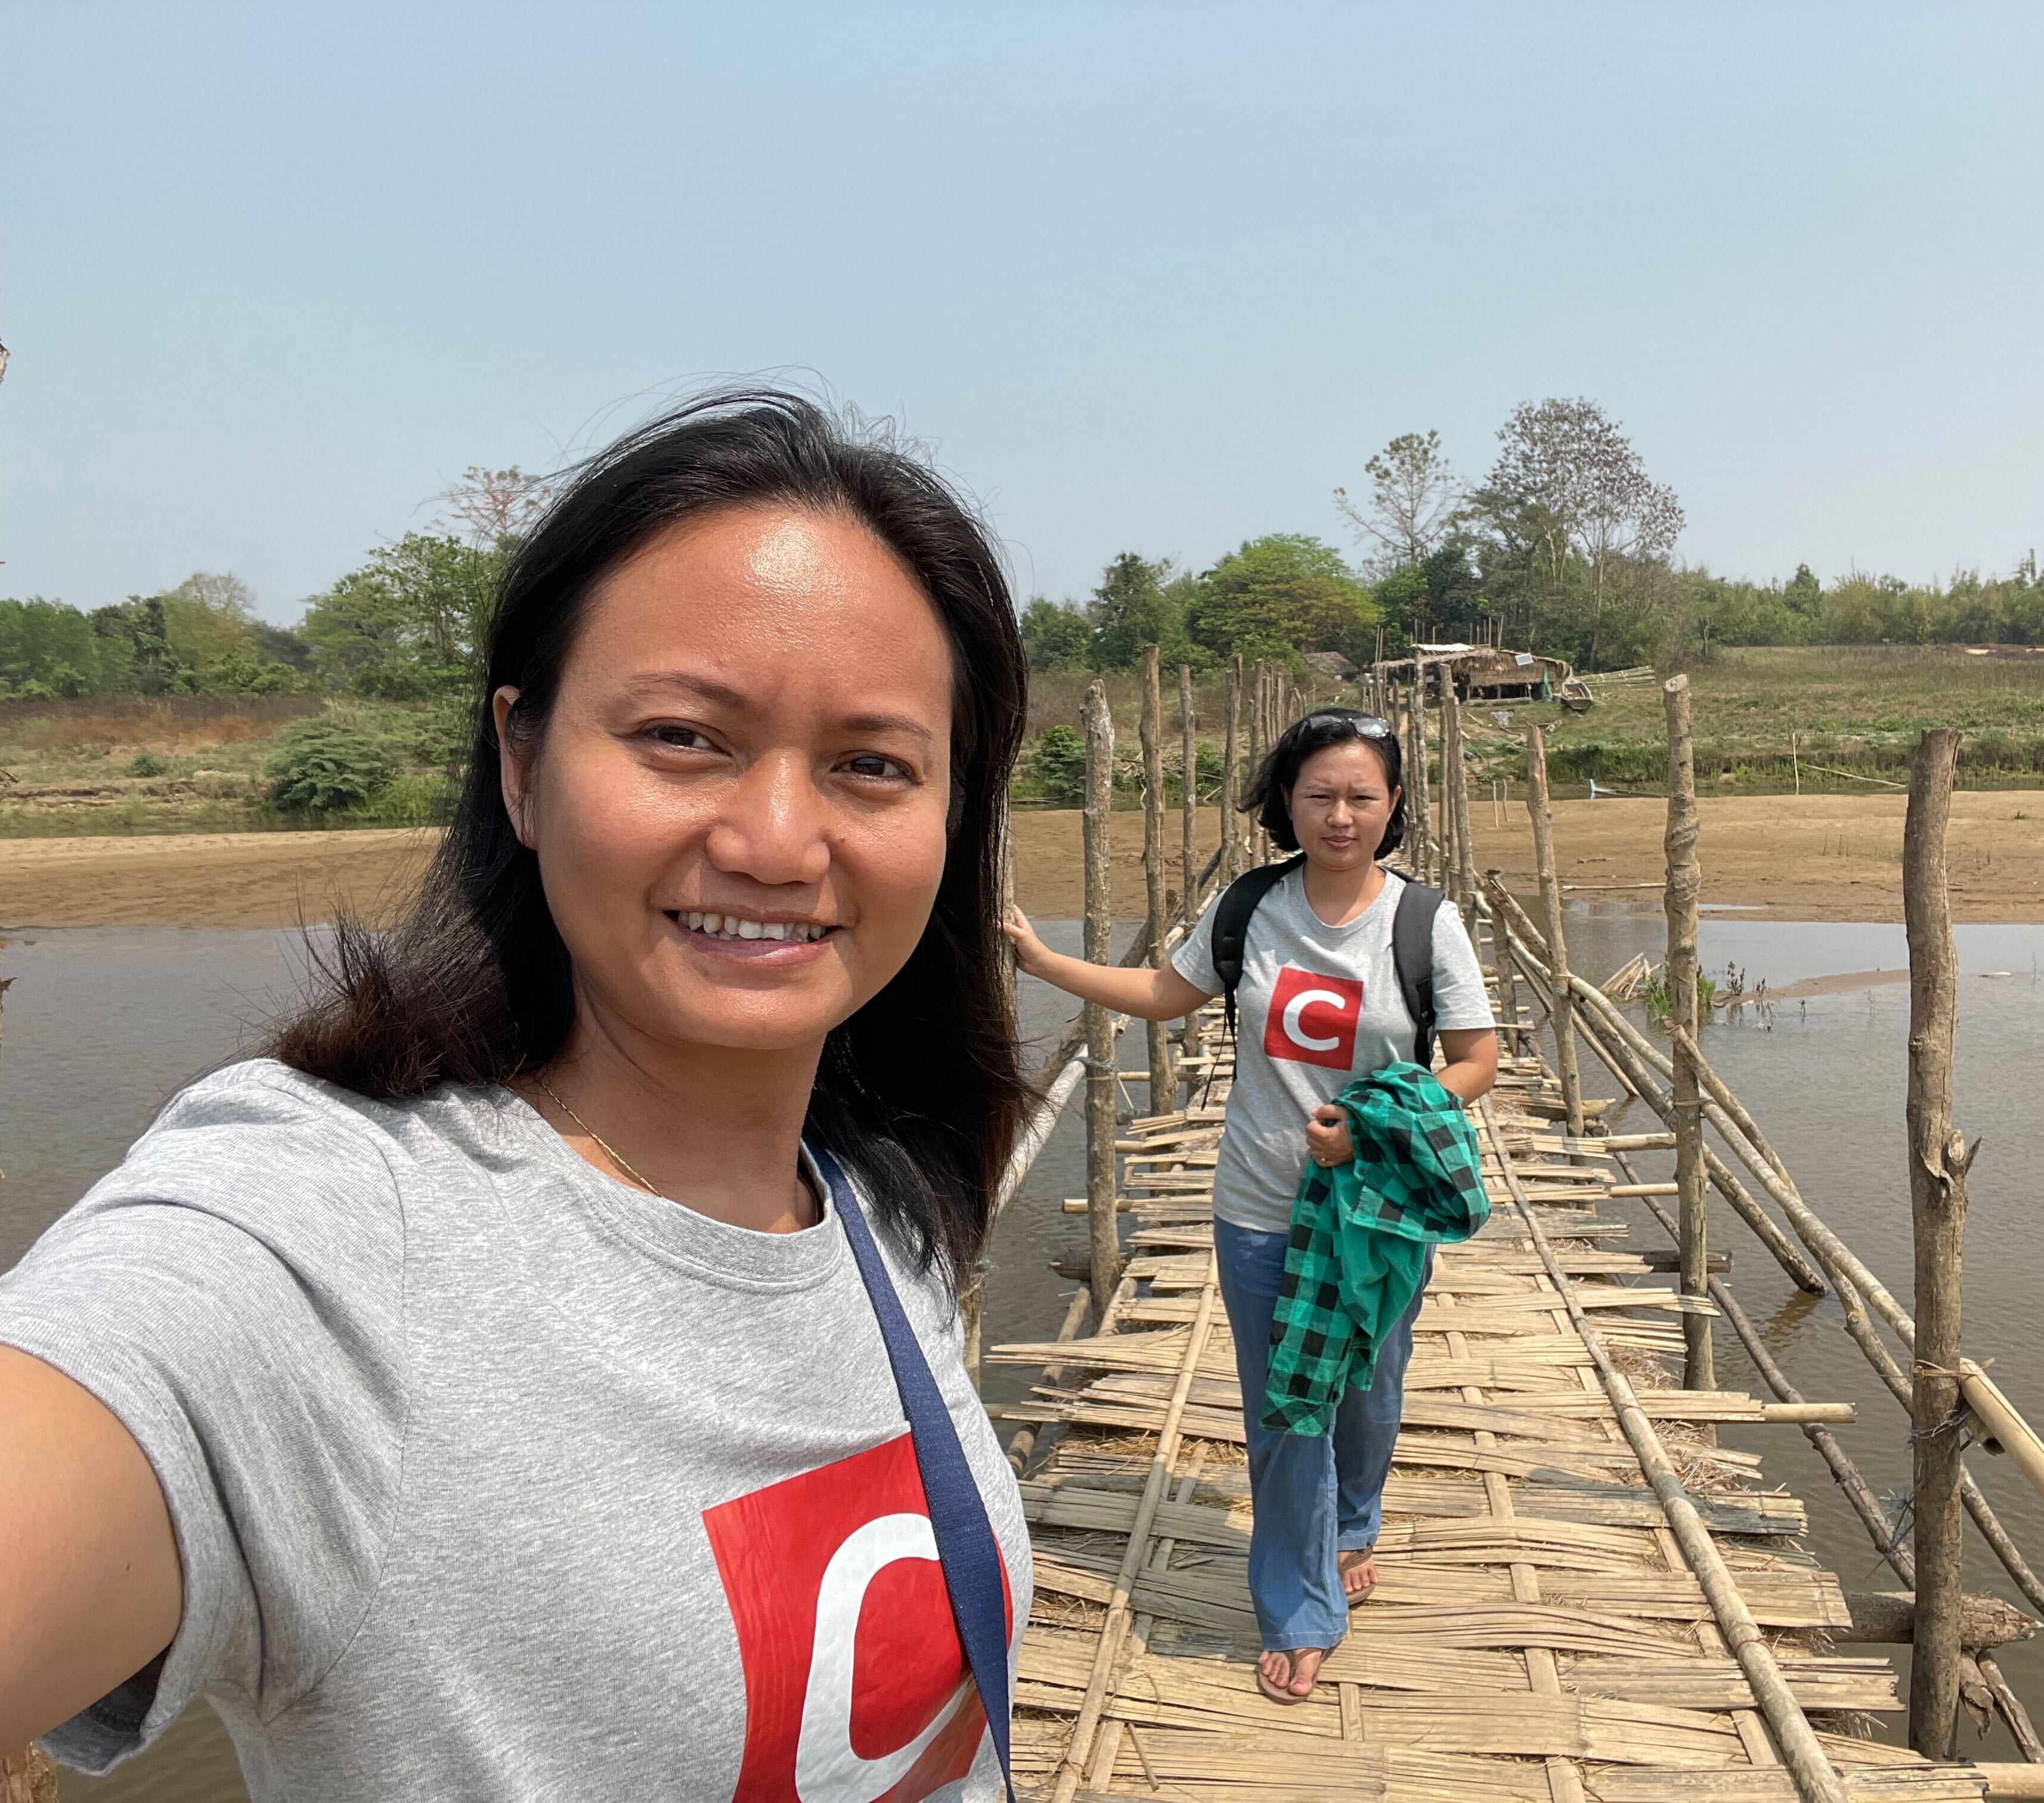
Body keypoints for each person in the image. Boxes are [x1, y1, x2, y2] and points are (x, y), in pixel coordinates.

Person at [0, 393, 1035, 1802]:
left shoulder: (871, 1193)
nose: (779, 840)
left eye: (871, 764)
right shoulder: (335, 1240)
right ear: (521, 763)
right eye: (683, 736)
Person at [1003, 706, 1498, 1703]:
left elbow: (1476, 1062)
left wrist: (1377, 1125)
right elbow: (1162, 992)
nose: (1341, 815)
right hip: (1260, 1207)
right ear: (1286, 803)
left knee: (1368, 1391)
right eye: (1319, 795)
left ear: (1395, 804)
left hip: (1376, 1212)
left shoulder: (1423, 921)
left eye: (1362, 795)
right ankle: (1300, 1606)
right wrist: (1045, 961)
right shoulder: (1250, 909)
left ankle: (1357, 1519)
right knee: (1285, 1416)